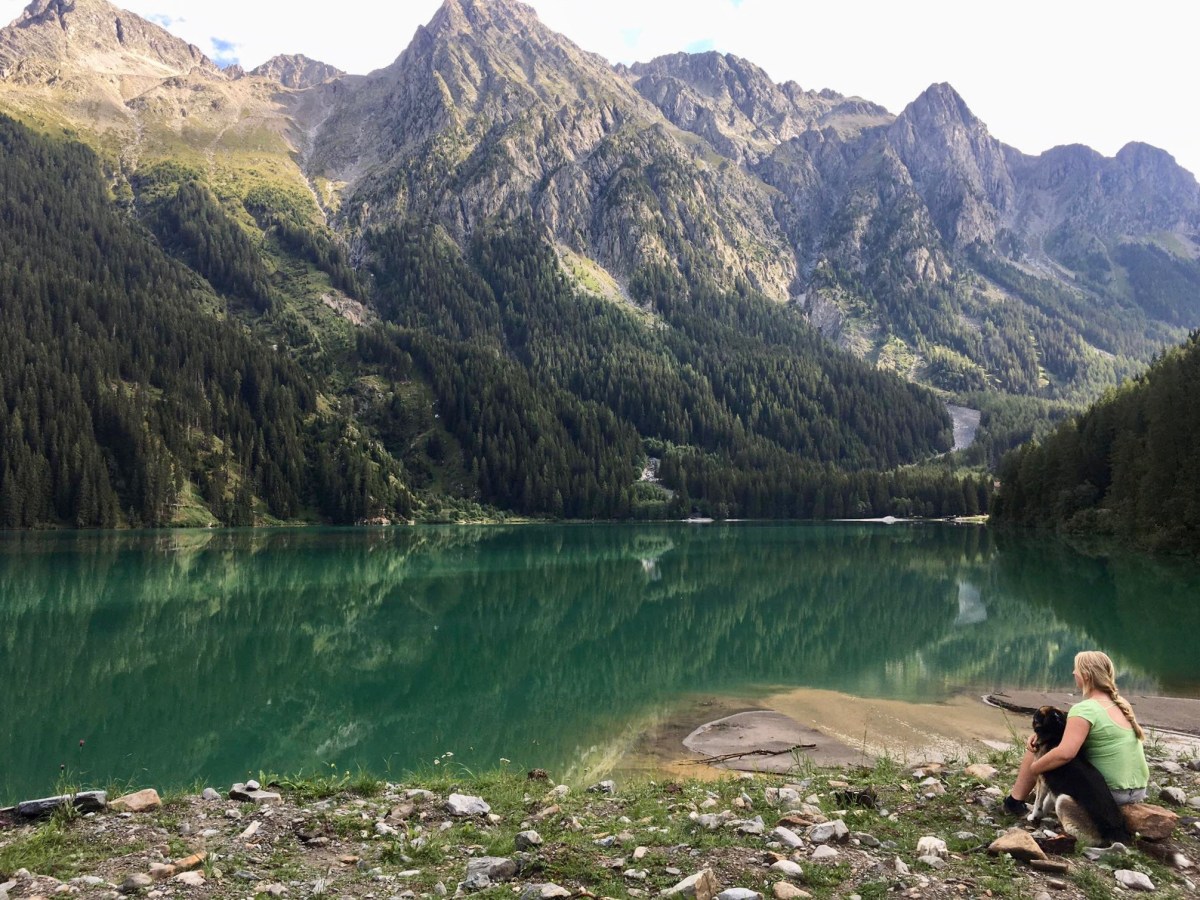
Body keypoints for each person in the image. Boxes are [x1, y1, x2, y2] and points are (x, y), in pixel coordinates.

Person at [1003, 650, 1149, 815]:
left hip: (1110, 793)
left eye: (1076, 669)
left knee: (1039, 748)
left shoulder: (1083, 709)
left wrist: (1035, 768)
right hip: (1138, 790)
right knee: (1043, 741)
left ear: (1086, 675)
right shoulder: (1121, 703)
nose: (1073, 672)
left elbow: (1065, 753)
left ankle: (1014, 802)